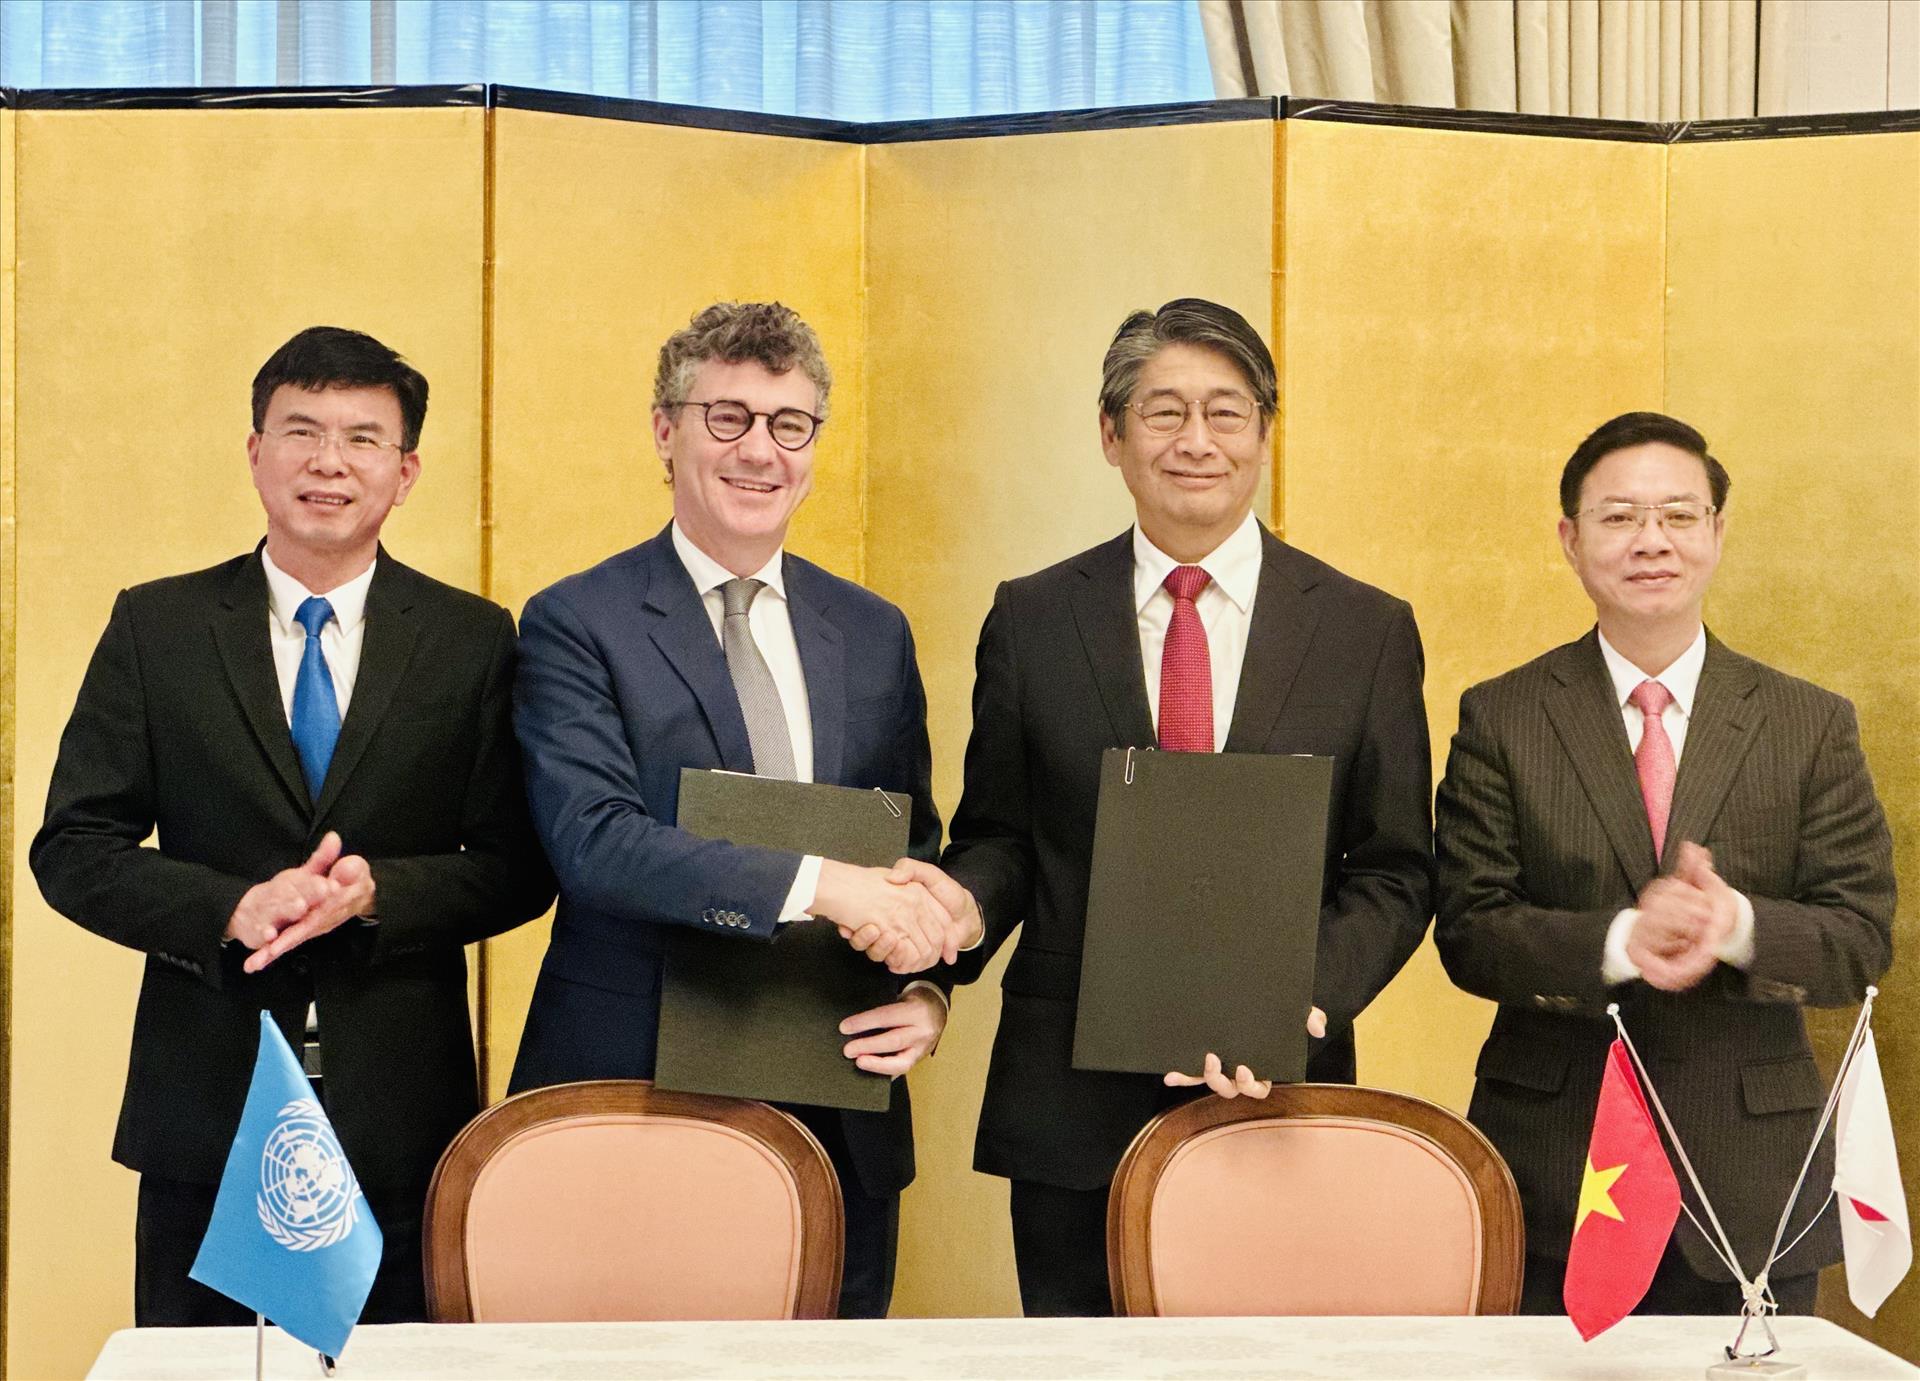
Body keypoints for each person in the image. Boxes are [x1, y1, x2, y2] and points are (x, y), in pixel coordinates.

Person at [890, 298, 1436, 1316]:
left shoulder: (1363, 630)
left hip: (1277, 1092)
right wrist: (960, 916)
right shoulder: (1034, 617)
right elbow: (1003, 834)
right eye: (1164, 410)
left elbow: (1395, 869)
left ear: (1265, 434)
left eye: (1227, 412)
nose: (1197, 440)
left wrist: (1301, 999)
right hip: (1069, 1104)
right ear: (1112, 434)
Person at [31, 325, 556, 1326]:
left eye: (363, 438)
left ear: (405, 471)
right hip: (206, 1108)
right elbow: (73, 847)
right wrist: (229, 907)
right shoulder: (158, 627)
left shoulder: (471, 640)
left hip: (401, 1116)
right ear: (255, 451)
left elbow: (517, 866)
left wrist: (379, 893)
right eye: (302, 431)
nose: (329, 461)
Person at [508, 300, 968, 1319]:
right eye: (728, 417)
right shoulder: (576, 621)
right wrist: (823, 883)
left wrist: (928, 988)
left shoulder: (874, 632)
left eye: (789, 424)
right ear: (664, 431)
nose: (760, 449)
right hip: (636, 1098)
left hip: (840, 1107)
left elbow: (912, 847)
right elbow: (596, 843)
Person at [1434, 411, 1895, 1315]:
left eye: (1679, 515)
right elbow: (1470, 930)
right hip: (1556, 1176)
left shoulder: (1809, 722)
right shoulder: (1504, 715)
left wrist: (1737, 926)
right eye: (1619, 517)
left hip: (1750, 1184)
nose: (1652, 541)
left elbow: (1860, 938)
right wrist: (1622, 941)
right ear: (1570, 539)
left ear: (1717, 532)